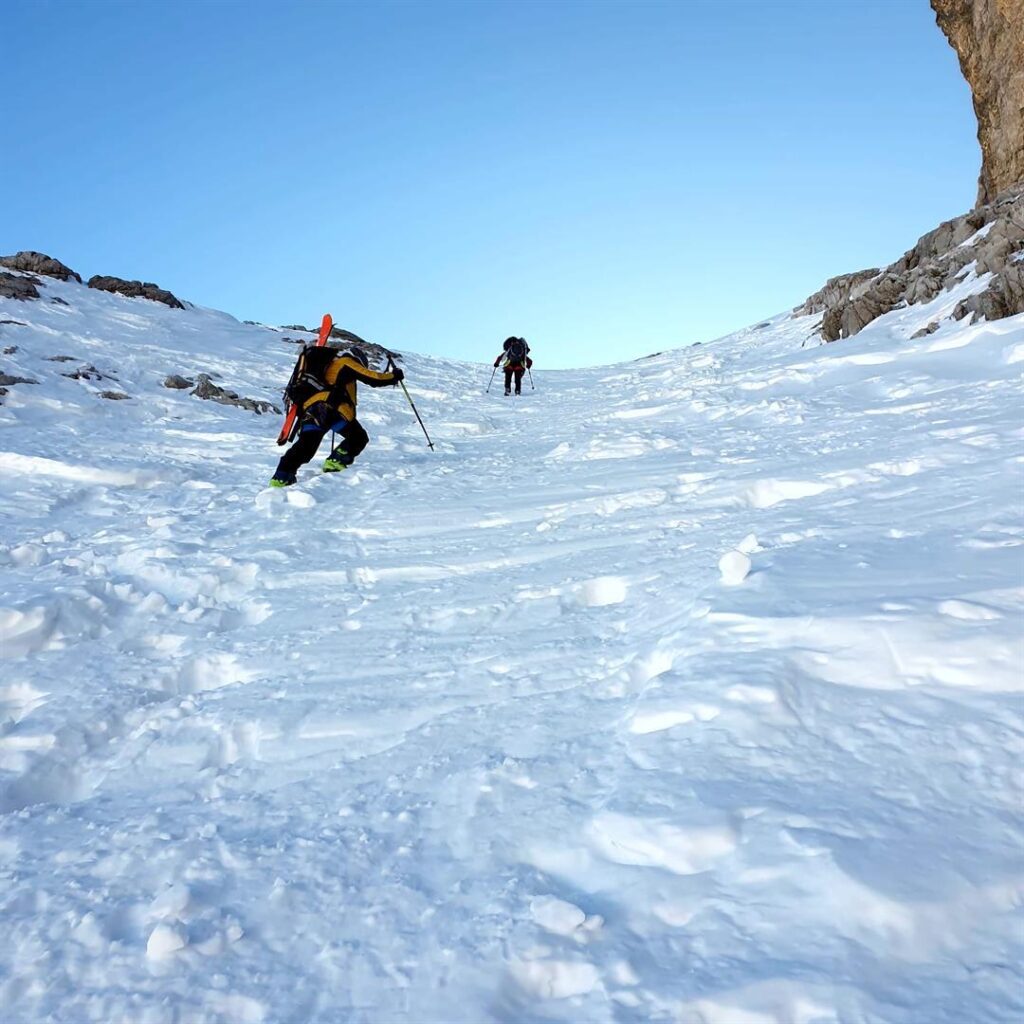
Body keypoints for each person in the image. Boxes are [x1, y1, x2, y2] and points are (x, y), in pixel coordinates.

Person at [270, 347, 403, 486]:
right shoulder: (345, 362)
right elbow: (372, 378)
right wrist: (394, 376)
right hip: (332, 408)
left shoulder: (328, 367)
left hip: (311, 410)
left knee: (306, 446)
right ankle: (336, 461)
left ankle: (281, 477)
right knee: (358, 438)